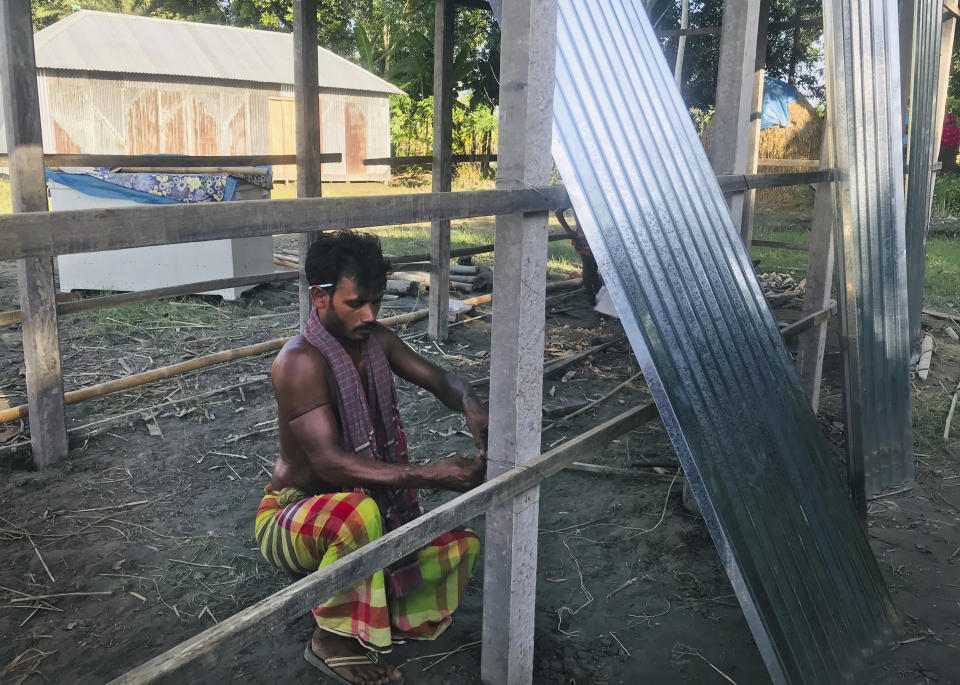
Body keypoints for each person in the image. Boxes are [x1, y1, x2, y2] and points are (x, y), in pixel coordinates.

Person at [255, 231, 488, 685]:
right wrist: (428, 476)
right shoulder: (299, 362)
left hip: (364, 517)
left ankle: (380, 620)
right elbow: (329, 464)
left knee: (460, 545)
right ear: (318, 297)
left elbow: (441, 381)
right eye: (356, 303)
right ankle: (331, 640)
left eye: (377, 302)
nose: (370, 315)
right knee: (358, 514)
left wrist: (471, 402)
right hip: (290, 521)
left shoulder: (374, 340)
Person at [555, 209, 603, 305]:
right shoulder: (577, 198)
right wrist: (568, 230)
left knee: (590, 269)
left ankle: (594, 298)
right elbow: (558, 212)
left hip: (591, 236)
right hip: (584, 238)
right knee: (591, 269)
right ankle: (596, 299)